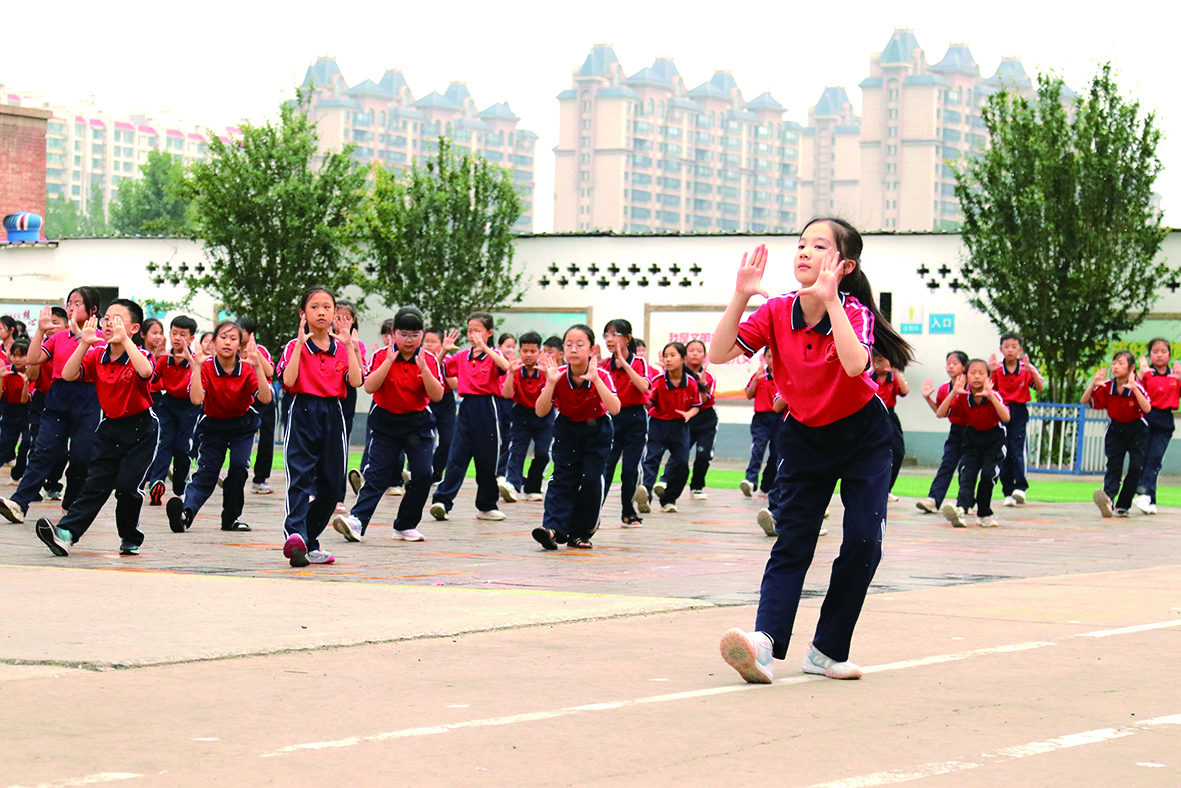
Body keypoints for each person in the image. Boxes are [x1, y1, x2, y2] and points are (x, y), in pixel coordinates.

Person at [709, 217, 914, 685]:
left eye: (819, 246)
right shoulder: (777, 310)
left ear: (843, 265)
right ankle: (764, 644)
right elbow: (720, 353)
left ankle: (826, 649)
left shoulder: (855, 312)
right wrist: (742, 294)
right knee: (793, 541)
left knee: (864, 542)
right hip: (803, 436)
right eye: (801, 244)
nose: (803, 252)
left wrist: (830, 302)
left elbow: (855, 362)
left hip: (864, 438)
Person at [34, 300, 158, 557]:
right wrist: (83, 343)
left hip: (141, 430)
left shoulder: (140, 355)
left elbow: (145, 371)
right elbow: (68, 374)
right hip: (109, 428)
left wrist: (126, 342)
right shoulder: (96, 354)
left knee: (126, 488)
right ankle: (66, 533)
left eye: (117, 320)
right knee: (95, 484)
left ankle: (129, 537)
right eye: (106, 319)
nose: (109, 324)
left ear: (134, 328)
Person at [332, 306, 444, 542]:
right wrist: (389, 362)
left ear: (422, 334)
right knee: (377, 475)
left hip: (417, 424)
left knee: (424, 474)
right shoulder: (382, 355)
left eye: (414, 335)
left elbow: (437, 396)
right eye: (403, 334)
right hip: (386, 422)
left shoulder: (429, 359)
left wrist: (424, 369)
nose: (409, 340)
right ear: (393, 333)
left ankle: (405, 525)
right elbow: (369, 386)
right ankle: (357, 521)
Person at [275, 286, 363, 567]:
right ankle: (295, 535)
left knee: (332, 485)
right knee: (299, 478)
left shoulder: (341, 347)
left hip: (332, 414)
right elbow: (288, 381)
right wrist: (301, 344)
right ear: (303, 314)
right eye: (314, 307)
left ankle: (307, 541)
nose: (322, 311)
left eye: (327, 307)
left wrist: (349, 345)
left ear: (335, 313)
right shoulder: (293, 346)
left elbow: (357, 382)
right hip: (302, 410)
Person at [0, 288, 103, 524]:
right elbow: (33, 359)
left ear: (93, 309)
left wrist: (80, 335)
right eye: (69, 303)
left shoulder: (100, 337)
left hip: (88, 397)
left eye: (78, 304)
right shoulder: (58, 337)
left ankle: (71, 504)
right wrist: (40, 331)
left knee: (81, 457)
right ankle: (19, 503)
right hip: (58, 395)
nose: (71, 308)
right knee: (43, 451)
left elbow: (95, 360)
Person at [167, 320, 273, 533]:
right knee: (206, 473)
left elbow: (265, 398)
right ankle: (185, 514)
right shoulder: (205, 367)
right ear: (213, 343)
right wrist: (196, 367)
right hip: (213, 426)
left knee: (238, 467)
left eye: (233, 339)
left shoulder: (247, 368)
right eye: (223, 338)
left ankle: (230, 519)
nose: (228, 343)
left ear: (240, 345)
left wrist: (258, 366)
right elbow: (197, 399)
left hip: (242, 426)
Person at [531, 325, 620, 550]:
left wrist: (596, 380)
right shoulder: (558, 375)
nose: (573, 350)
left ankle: (581, 533)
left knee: (591, 480)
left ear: (592, 349)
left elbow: (615, 408)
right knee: (562, 478)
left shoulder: (602, 375)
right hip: (567, 430)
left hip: (597, 431)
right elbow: (541, 411)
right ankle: (552, 529)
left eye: (580, 345)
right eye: (568, 344)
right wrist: (550, 383)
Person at [429, 312, 511, 522]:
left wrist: (485, 349)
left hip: (487, 407)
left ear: (489, 333)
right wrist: (443, 351)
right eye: (470, 330)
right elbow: (437, 369)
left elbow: (506, 367)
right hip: (466, 407)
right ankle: (442, 501)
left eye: (478, 330)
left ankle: (486, 505)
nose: (473, 335)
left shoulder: (493, 355)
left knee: (486, 459)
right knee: (457, 455)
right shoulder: (462, 356)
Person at [935, 361, 1010, 528]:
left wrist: (990, 396)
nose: (977, 376)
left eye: (982, 373)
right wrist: (954, 392)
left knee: (988, 475)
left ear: (989, 377)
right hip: (971, 437)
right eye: (973, 373)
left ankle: (984, 513)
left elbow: (1006, 418)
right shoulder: (962, 397)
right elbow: (941, 413)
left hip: (994, 439)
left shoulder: (994, 396)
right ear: (965, 376)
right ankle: (961, 509)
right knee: (967, 474)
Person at [1082, 351, 1151, 517]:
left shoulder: (1137, 387)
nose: (1116, 367)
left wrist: (1134, 388)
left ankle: (1123, 505)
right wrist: (1093, 385)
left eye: (1121, 363)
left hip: (1137, 431)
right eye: (1114, 363)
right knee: (1114, 466)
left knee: (1135, 467)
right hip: (1115, 430)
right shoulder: (1106, 386)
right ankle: (1108, 499)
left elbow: (1147, 408)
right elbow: (1085, 401)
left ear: (1131, 368)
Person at [600, 319, 653, 526]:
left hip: (635, 420)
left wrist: (626, 366)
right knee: (606, 466)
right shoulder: (604, 364)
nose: (610, 340)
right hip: (611, 420)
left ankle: (627, 510)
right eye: (607, 335)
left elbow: (644, 387)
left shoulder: (639, 362)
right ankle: (595, 509)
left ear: (628, 338)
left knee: (630, 469)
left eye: (615, 335)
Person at [640, 342, 702, 514]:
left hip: (679, 427)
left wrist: (689, 413)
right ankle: (645, 496)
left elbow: (696, 405)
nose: (668, 359)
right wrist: (647, 399)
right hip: (658, 425)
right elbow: (649, 404)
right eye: (665, 355)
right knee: (651, 461)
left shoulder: (690, 382)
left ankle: (669, 499)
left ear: (683, 359)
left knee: (682, 464)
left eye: (672, 355)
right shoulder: (658, 382)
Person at [147, 315, 199, 506]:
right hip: (168, 404)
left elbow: (200, 384)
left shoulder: (194, 361)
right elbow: (150, 379)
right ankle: (156, 483)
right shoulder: (164, 359)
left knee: (182, 447)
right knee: (164, 442)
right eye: (174, 333)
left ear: (191, 339)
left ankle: (180, 483)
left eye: (182, 334)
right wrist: (155, 358)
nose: (177, 338)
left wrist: (193, 364)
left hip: (189, 407)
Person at [989, 334, 1045, 507]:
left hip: (1019, 411)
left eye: (1014, 346)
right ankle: (1007, 491)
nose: (1010, 350)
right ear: (1001, 350)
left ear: (1020, 350)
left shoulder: (1025, 369)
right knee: (1004, 450)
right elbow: (989, 390)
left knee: (1017, 448)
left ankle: (1020, 487)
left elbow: (1040, 388)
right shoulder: (997, 370)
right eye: (1007, 346)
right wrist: (990, 372)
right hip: (1001, 410)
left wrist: (1033, 371)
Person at [499, 331, 554, 502]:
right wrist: (509, 372)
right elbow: (507, 394)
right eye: (525, 351)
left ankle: (533, 487)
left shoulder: (546, 371)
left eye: (533, 351)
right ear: (519, 352)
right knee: (517, 451)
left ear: (540, 352)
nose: (528, 355)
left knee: (543, 453)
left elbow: (553, 394)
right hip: (521, 414)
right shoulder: (516, 370)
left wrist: (547, 376)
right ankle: (512, 486)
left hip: (544, 415)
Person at [915, 351, 968, 513]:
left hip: (973, 431)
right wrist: (927, 398)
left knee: (966, 469)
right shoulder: (945, 389)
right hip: (956, 431)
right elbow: (941, 413)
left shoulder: (971, 386)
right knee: (947, 465)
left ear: (964, 367)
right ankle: (933, 500)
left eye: (955, 363)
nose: (950, 366)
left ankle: (965, 504)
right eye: (948, 363)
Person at [1134, 340, 1180, 514]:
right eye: (1155, 352)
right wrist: (1140, 373)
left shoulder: (1175, 376)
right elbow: (1132, 391)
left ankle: (1144, 494)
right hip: (1145, 418)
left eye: (1163, 351)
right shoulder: (1146, 375)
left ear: (1169, 354)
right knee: (1142, 459)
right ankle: (1150, 501)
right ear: (1150, 355)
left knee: (1154, 459)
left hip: (1164, 420)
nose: (1159, 355)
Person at [333, 299, 366, 514]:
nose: (342, 321)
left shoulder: (357, 344)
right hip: (326, 394)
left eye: (347, 317)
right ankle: (314, 490)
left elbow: (362, 375)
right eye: (338, 317)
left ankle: (337, 497)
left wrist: (352, 348)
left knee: (339, 448)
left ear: (353, 321)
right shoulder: (323, 340)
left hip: (346, 395)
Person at [674, 339, 718, 500]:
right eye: (691, 350)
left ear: (704, 356)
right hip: (685, 416)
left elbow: (704, 400)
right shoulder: (679, 374)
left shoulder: (709, 376)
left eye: (699, 351)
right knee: (679, 452)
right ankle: (666, 481)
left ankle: (697, 486)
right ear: (685, 356)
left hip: (705, 418)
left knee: (703, 455)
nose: (695, 354)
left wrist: (702, 384)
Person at [239, 315, 277, 495]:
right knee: (237, 435)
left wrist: (255, 352)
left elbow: (270, 372)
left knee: (266, 438)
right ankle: (233, 472)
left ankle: (260, 479)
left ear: (251, 334)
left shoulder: (260, 350)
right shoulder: (230, 350)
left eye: (241, 331)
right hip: (242, 398)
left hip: (263, 398)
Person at [741, 348, 779, 500]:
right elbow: (749, 395)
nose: (772, 360)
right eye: (769, 356)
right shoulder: (759, 376)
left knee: (777, 455)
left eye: (775, 356)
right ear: (764, 358)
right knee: (758, 448)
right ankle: (750, 480)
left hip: (780, 418)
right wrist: (756, 380)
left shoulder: (786, 375)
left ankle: (766, 486)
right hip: (762, 418)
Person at [873, 350, 910, 501]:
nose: (877, 366)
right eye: (874, 362)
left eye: (881, 361)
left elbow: (904, 391)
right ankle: (873, 488)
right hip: (873, 416)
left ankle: (886, 489)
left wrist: (896, 371)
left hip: (889, 415)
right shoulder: (869, 376)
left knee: (898, 451)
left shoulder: (893, 378)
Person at [0, 341, 33, 476]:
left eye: (22, 355)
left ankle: (19, 470)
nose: (17, 359)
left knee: (27, 442)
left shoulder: (32, 372)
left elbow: (24, 399)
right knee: (5, 444)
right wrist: (1, 378)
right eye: (14, 355)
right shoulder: (7, 371)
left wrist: (26, 382)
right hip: (9, 410)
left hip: (28, 411)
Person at [494, 332, 517, 486]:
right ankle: (495, 471)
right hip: (497, 401)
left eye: (513, 347)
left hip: (511, 403)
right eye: (507, 346)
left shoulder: (516, 365)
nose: (510, 350)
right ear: (499, 347)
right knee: (498, 438)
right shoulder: (495, 363)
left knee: (509, 438)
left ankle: (503, 473)